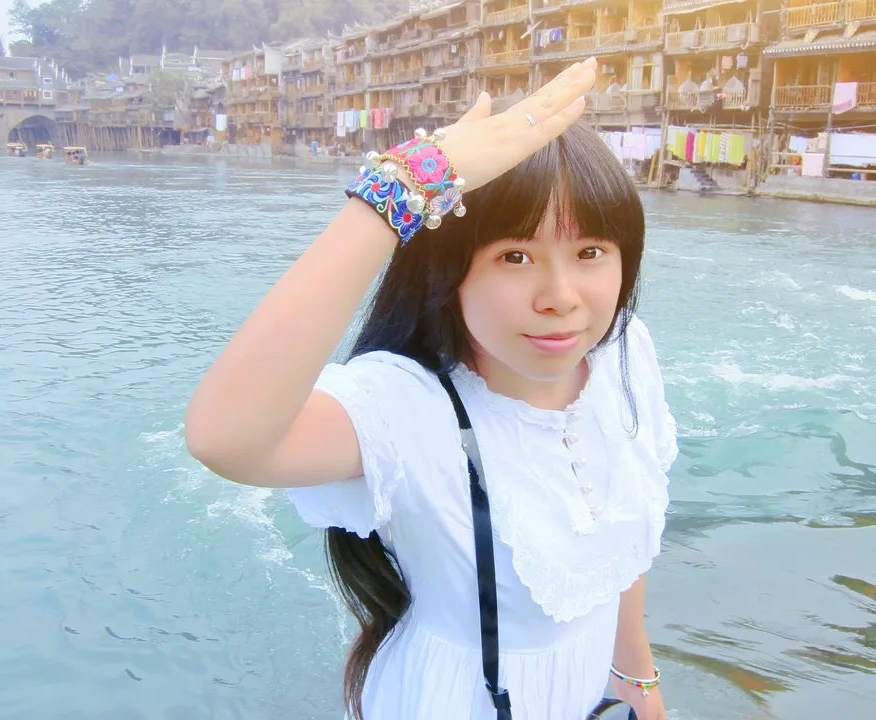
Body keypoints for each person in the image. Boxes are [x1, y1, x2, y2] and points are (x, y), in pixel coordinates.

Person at [186, 57, 676, 720]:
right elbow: (225, 438)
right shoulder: (407, 407)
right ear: (449, 272)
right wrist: (401, 188)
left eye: (590, 253)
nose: (561, 298)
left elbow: (619, 546)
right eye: (515, 256)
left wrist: (638, 680)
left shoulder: (623, 356)